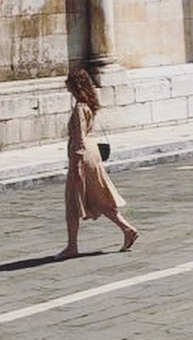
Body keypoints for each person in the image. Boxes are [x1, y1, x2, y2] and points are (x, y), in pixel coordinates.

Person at [58, 68, 139, 258]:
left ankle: (72, 247)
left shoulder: (80, 108)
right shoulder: (89, 105)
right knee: (98, 198)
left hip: (83, 156)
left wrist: (76, 166)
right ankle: (127, 229)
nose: (66, 85)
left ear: (74, 85)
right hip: (92, 154)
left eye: (69, 82)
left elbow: (79, 139)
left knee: (72, 202)